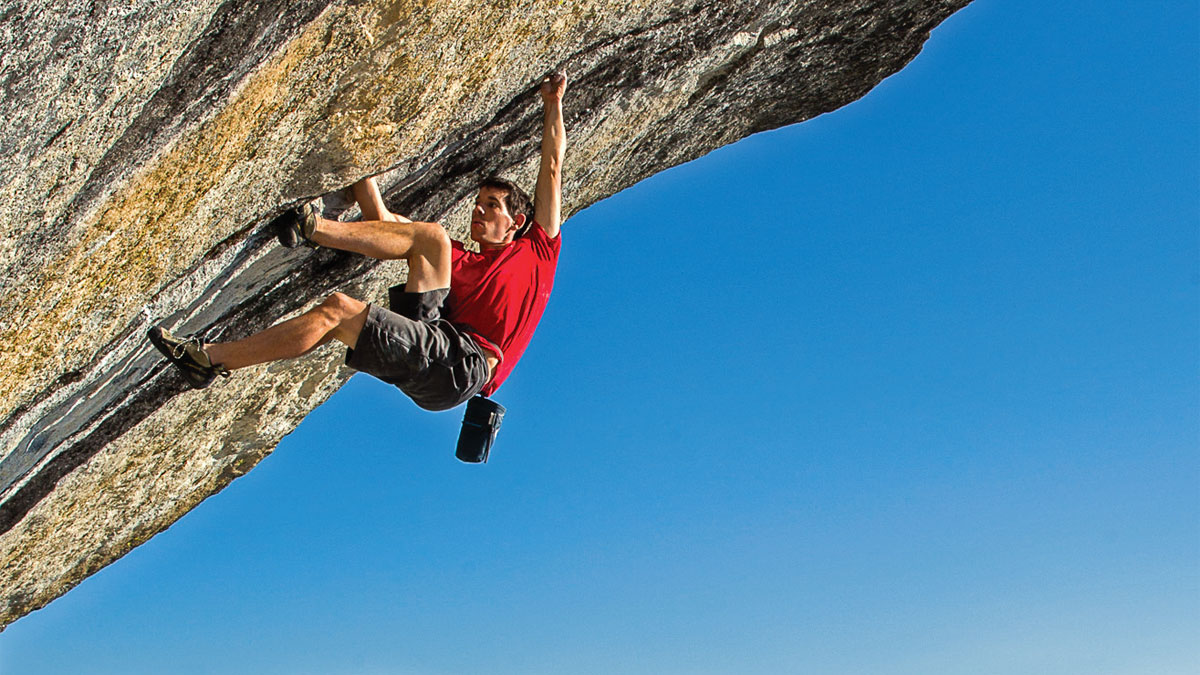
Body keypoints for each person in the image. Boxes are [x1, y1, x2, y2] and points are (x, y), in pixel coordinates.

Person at [149, 71, 567, 411]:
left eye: (491, 206)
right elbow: (383, 224)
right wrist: (357, 159)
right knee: (431, 237)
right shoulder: (458, 259)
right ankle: (312, 228)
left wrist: (553, 104)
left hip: (460, 367)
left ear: (517, 221)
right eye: (478, 203)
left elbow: (551, 167)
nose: (478, 211)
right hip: (436, 336)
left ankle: (213, 357)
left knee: (338, 311)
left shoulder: (538, 250)